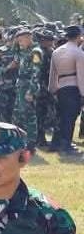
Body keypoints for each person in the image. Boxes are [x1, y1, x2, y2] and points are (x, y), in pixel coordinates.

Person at [47, 25, 83, 153]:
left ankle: (55, 143)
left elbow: (53, 73)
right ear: (78, 36)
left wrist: (52, 89)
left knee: (60, 117)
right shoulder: (78, 53)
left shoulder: (56, 52)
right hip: (74, 88)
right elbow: (81, 75)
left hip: (61, 87)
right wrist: (83, 93)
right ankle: (66, 144)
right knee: (70, 118)